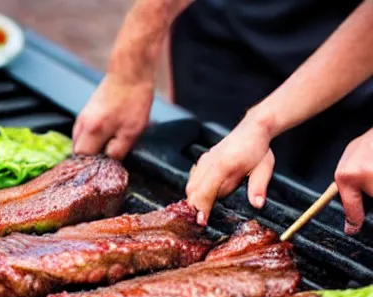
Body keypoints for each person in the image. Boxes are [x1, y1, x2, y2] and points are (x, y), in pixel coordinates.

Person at [73, 0, 373, 234]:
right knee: (209, 178)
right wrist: (131, 66)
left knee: (338, 220)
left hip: (358, 60)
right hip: (229, 27)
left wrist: (262, 123)